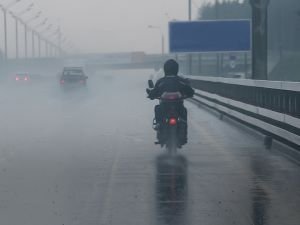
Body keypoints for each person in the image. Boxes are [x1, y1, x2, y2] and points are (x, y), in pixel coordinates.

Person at [147, 59, 194, 145]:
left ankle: (158, 124)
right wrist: (190, 94)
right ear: (176, 69)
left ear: (165, 69)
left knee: (157, 108)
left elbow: (154, 92)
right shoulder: (181, 81)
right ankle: (183, 134)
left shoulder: (161, 81)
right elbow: (190, 91)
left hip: (164, 106)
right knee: (184, 113)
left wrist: (150, 95)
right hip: (178, 106)